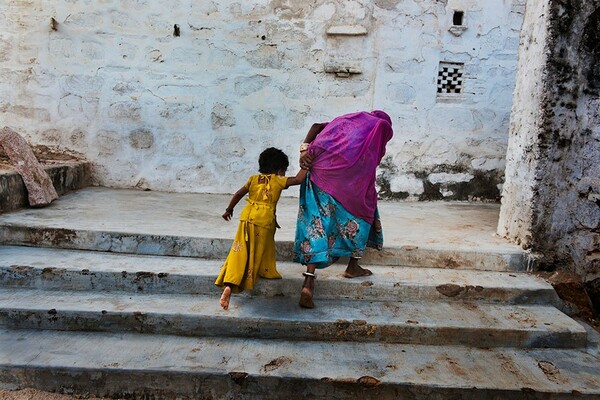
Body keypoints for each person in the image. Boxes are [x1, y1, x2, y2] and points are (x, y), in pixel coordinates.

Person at [293, 110, 393, 308]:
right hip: (348, 185)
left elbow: (316, 126)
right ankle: (353, 266)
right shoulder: (374, 136)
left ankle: (309, 282)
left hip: (319, 174)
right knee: (365, 212)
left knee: (316, 226)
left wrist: (304, 149)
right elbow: (367, 170)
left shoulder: (346, 123)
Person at [216, 147, 307, 310]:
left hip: (247, 218)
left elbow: (238, 194)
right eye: (284, 171)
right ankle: (260, 271)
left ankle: (229, 284)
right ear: (280, 170)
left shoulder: (253, 179)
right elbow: (299, 179)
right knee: (259, 250)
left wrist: (228, 210)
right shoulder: (278, 180)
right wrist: (307, 164)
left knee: (240, 250)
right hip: (264, 221)